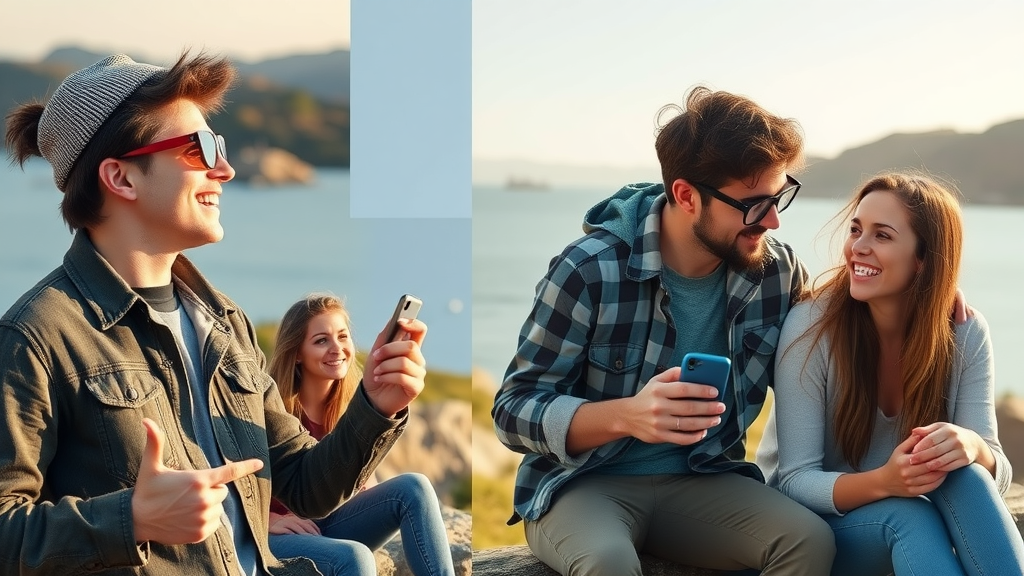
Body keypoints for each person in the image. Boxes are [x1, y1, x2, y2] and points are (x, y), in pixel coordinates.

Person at [0, 53, 427, 575]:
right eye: (200, 148)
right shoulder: (37, 338)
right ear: (121, 178)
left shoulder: (225, 323)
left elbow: (301, 485)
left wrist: (375, 406)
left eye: (219, 147)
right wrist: (131, 518)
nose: (223, 169)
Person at [491, 85, 837, 575]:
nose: (774, 220)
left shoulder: (775, 273)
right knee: (609, 563)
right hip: (583, 484)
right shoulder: (588, 270)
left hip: (705, 480)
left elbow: (836, 333)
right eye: (755, 204)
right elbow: (511, 410)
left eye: (779, 197)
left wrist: (916, 289)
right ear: (685, 195)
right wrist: (626, 416)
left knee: (809, 541)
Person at [755, 172, 1024, 576]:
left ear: (923, 259)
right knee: (909, 517)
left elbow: (995, 476)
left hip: (914, 518)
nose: (857, 248)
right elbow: (794, 481)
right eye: (856, 230)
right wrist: (886, 481)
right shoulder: (812, 326)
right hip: (817, 527)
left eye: (882, 236)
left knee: (963, 475)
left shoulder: (964, 332)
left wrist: (971, 445)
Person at [264, 294, 455, 576]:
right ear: (296, 354)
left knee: (414, 487)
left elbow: (362, 487)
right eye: (321, 340)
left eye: (343, 337)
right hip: (272, 537)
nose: (337, 348)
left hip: (325, 526)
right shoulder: (270, 411)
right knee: (354, 556)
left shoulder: (353, 413)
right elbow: (231, 483)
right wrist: (265, 520)